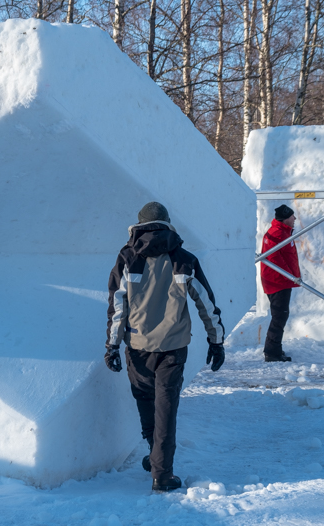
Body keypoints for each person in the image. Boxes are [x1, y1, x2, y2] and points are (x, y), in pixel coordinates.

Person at [104, 202, 225, 492]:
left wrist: (112, 345)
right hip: (172, 349)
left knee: (146, 401)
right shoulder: (184, 259)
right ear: (168, 223)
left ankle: (156, 457)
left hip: (137, 347)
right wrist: (216, 341)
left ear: (139, 225)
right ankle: (162, 472)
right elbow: (206, 305)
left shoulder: (127, 257)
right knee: (166, 409)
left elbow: (117, 305)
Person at [260, 204, 299, 362]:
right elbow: (274, 259)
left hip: (282, 280)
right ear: (285, 217)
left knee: (280, 315)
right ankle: (272, 352)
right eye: (292, 216)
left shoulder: (283, 232)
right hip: (278, 281)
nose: (295, 218)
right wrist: (290, 275)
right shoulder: (276, 233)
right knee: (279, 316)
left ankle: (274, 349)